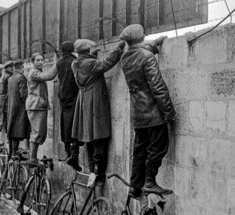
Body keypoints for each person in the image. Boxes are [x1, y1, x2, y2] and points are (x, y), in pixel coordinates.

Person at [119, 24, 175, 196]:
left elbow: (140, 50)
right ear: (141, 37)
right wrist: (169, 112)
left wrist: (156, 42)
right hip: (152, 111)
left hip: (138, 112)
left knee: (140, 150)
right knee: (158, 147)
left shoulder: (125, 58)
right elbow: (158, 87)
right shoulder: (147, 57)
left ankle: (135, 186)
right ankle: (150, 181)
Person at [70, 39, 125, 187]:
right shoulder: (90, 64)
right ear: (87, 51)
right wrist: (118, 48)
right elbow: (106, 64)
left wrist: (91, 55)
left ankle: (92, 170)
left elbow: (87, 63)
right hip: (96, 100)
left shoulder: (75, 64)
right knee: (99, 135)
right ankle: (98, 170)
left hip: (83, 100)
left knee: (88, 136)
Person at [26, 53, 59, 165]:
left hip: (38, 105)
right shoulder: (34, 72)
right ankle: (33, 159)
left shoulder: (37, 72)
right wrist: (58, 63)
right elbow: (49, 76)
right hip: (35, 106)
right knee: (37, 132)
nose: (40, 62)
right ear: (33, 62)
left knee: (40, 132)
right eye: (38, 60)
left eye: (42, 60)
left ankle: (33, 157)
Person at [55, 41, 79, 161]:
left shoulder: (59, 62)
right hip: (74, 95)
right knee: (74, 123)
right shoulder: (75, 61)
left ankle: (67, 150)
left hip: (62, 96)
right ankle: (74, 153)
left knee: (64, 123)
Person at [7, 60, 31, 160]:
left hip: (12, 106)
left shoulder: (11, 78)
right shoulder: (21, 77)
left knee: (13, 129)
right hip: (20, 107)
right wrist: (28, 103)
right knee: (18, 129)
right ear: (21, 67)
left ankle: (13, 151)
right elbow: (24, 94)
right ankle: (15, 152)